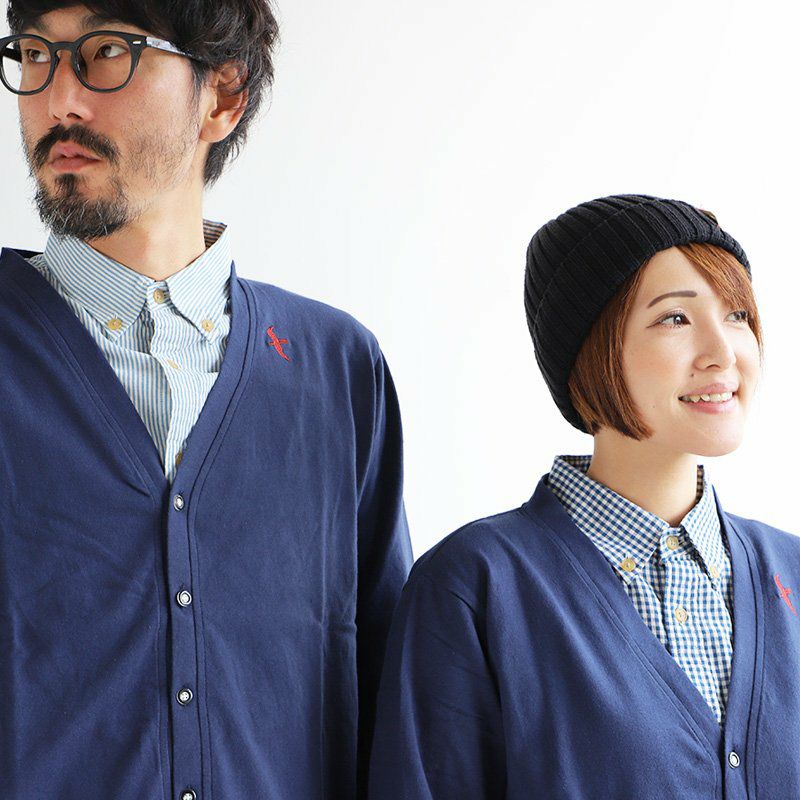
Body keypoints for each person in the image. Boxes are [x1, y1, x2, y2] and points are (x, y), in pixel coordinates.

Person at [0, 3, 412, 799]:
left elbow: (389, 698)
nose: (59, 100)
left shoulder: (335, 369)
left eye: (106, 52)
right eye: (35, 54)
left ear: (223, 95)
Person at [368, 194, 800, 799]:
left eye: (737, 315)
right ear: (590, 350)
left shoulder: (791, 572)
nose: (723, 353)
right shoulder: (476, 585)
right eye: (675, 318)